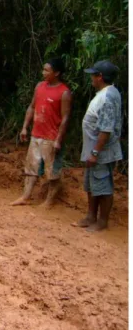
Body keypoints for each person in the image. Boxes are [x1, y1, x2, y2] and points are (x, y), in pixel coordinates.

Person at [11, 58, 72, 207]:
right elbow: (32, 107)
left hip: (51, 137)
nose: (43, 73)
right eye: (43, 69)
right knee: (31, 167)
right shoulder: (39, 87)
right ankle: (25, 196)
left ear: (56, 73)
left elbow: (65, 118)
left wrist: (58, 139)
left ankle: (49, 201)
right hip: (36, 134)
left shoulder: (64, 93)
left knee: (52, 172)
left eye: (47, 70)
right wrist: (25, 127)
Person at [73, 61, 122, 232]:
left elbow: (106, 129)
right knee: (91, 184)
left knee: (104, 186)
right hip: (94, 149)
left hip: (101, 151)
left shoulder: (108, 97)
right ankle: (91, 216)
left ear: (100, 77)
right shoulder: (105, 93)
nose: (91, 79)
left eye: (93, 75)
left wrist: (95, 152)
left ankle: (102, 221)